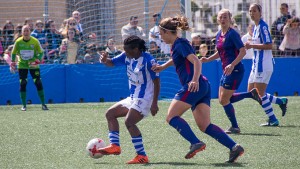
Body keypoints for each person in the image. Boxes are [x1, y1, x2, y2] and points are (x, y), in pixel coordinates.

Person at [152, 15, 244, 163]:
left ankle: (195, 142)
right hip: (202, 86)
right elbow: (178, 58)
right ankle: (234, 147)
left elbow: (196, 61)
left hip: (194, 85)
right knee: (205, 125)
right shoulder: (178, 45)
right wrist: (163, 67)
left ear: (168, 32)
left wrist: (194, 80)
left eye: (161, 34)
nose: (161, 37)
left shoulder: (180, 44)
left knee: (171, 117)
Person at [96, 35, 160, 164]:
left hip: (145, 98)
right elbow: (111, 63)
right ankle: (115, 146)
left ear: (136, 49)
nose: (125, 52)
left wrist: (154, 103)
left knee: (129, 122)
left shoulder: (148, 60)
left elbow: (157, 82)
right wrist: (104, 60)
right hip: (132, 97)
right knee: (110, 114)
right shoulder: (126, 56)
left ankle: (142, 156)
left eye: (127, 50)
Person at [201, 9, 260, 134]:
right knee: (223, 99)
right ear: (218, 19)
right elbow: (220, 52)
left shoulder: (233, 34)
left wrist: (232, 65)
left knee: (224, 100)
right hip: (226, 70)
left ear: (230, 19)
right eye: (221, 17)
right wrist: (208, 59)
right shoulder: (219, 34)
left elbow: (242, 51)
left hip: (235, 70)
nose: (223, 19)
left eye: (225, 17)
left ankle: (235, 127)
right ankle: (251, 94)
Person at [245, 3, 288, 126]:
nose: (252, 13)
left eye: (254, 11)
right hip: (256, 64)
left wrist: (252, 45)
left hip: (263, 65)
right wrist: (251, 43)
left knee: (259, 93)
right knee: (251, 91)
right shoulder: (256, 27)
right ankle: (280, 101)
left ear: (260, 12)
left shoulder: (263, 27)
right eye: (250, 11)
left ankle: (273, 119)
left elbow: (269, 45)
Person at [10, 25, 48, 111]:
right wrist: (12, 62)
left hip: (33, 65)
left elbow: (41, 52)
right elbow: (13, 53)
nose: (26, 32)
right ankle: (24, 105)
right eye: (24, 31)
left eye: (27, 31)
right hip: (22, 65)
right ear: (22, 32)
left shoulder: (35, 41)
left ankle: (43, 104)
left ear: (30, 32)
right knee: (23, 83)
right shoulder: (18, 42)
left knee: (38, 82)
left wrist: (38, 59)